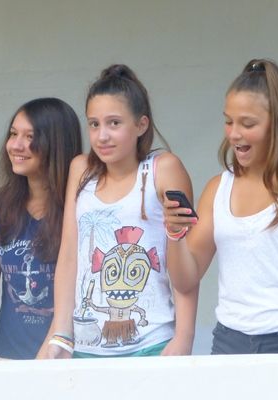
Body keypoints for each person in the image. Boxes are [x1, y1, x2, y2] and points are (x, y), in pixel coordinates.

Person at [164, 58, 278, 355]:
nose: (234, 134)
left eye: (247, 124)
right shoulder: (217, 188)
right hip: (229, 341)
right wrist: (175, 235)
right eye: (228, 121)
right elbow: (186, 279)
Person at [40, 64, 198, 358]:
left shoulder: (163, 168)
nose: (102, 136)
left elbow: (185, 260)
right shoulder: (81, 169)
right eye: (94, 124)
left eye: (114, 123)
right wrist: (61, 334)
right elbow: (69, 255)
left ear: (141, 125)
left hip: (151, 342)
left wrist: (184, 337)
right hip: (87, 346)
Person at [0, 98, 82, 360]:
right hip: (6, 358)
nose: (15, 145)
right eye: (13, 134)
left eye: (30, 137)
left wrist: (48, 353)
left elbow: (75, 290)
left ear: (56, 144)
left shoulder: (81, 205)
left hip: (62, 358)